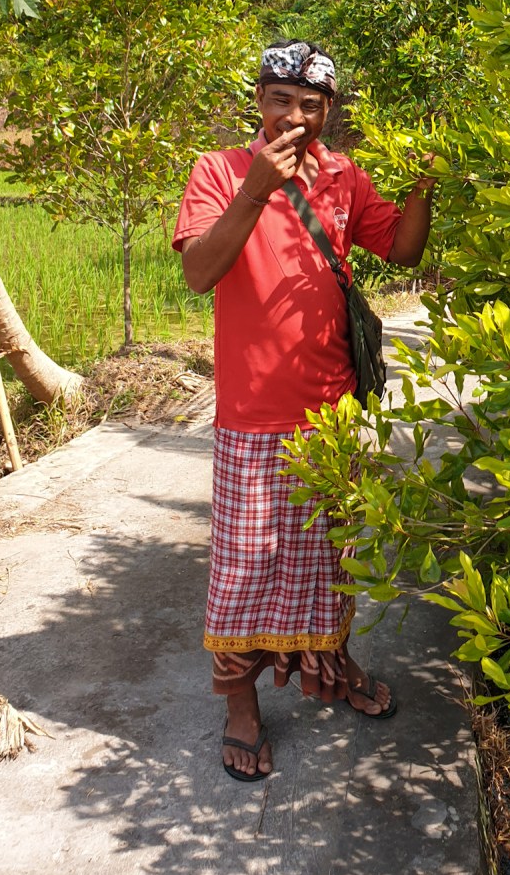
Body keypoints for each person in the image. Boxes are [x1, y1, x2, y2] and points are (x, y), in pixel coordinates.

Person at [172, 39, 435, 782]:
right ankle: (240, 703)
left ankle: (331, 665)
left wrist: (429, 175)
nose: (294, 116)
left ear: (328, 111)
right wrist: (256, 188)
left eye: (311, 105)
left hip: (332, 412)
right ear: (259, 101)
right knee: (245, 570)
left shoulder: (345, 176)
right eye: (281, 100)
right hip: (252, 413)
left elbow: (404, 249)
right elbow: (198, 271)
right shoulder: (220, 170)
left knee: (329, 562)